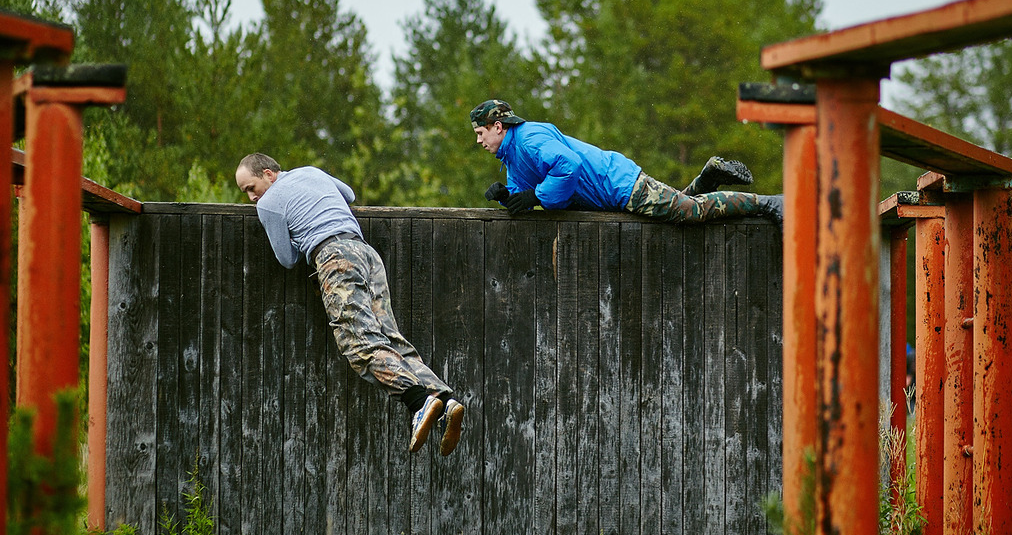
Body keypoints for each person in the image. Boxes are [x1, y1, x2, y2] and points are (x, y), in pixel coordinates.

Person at [235, 153, 464, 456]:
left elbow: (287, 258)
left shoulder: (268, 203)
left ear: (268, 174)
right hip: (365, 252)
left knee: (360, 346)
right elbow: (350, 195)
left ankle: (418, 402)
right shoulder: (310, 172)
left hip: (334, 257)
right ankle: (445, 400)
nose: (251, 197)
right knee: (390, 338)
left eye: (250, 187)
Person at [469, 99, 783, 223]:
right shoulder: (512, 155)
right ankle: (710, 175)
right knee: (676, 206)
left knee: (690, 213)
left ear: (499, 127)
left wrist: (535, 196)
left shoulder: (528, 138)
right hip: (613, 192)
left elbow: (568, 166)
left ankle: (768, 203)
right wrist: (508, 198)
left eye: (481, 132)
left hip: (619, 184)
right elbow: (528, 197)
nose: (480, 140)